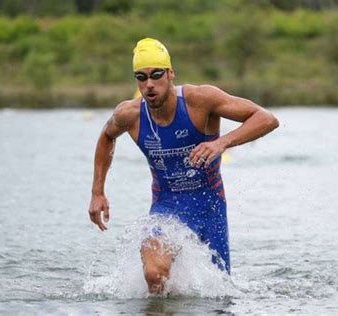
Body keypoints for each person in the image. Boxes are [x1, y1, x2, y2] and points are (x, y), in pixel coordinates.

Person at [88, 38, 279, 294]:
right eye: (141, 78)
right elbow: (106, 136)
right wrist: (97, 192)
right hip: (166, 209)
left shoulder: (200, 100)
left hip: (210, 209)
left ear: (171, 74)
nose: (149, 84)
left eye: (156, 75)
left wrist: (221, 143)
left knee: (218, 295)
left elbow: (266, 119)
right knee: (154, 275)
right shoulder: (129, 115)